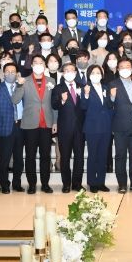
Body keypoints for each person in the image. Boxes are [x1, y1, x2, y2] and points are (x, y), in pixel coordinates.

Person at [11, 55, 58, 194]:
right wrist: (19, 85)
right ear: (31, 65)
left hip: (46, 123)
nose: (38, 65)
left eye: (41, 62)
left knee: (46, 156)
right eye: (35, 62)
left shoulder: (51, 81)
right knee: (30, 156)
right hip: (30, 123)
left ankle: (45, 184)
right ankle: (32, 184)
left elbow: (54, 104)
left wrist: (55, 121)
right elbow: (15, 100)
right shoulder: (24, 81)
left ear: (44, 65)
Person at [0, 63, 25, 193]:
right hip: (5, 126)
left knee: (19, 158)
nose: (10, 74)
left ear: (17, 74)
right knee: (4, 159)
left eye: (13, 71)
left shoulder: (22, 86)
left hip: (21, 126)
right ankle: (4, 184)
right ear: (3, 74)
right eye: (7, 71)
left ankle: (17, 183)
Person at [109, 58, 132, 193]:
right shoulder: (113, 84)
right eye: (122, 67)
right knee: (121, 156)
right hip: (120, 126)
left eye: (128, 66)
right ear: (118, 69)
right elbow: (108, 105)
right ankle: (122, 184)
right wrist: (112, 97)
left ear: (131, 68)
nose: (125, 69)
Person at [51, 62, 85, 193]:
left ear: (76, 73)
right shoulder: (57, 88)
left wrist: (86, 95)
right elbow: (54, 105)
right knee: (65, 157)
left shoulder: (82, 86)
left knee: (79, 157)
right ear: (63, 73)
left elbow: (86, 106)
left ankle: (77, 184)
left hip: (80, 128)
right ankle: (66, 184)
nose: (69, 72)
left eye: (72, 70)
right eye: (66, 70)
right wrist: (62, 100)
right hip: (65, 128)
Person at [80, 65, 113, 193]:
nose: (96, 75)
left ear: (102, 74)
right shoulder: (85, 88)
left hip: (106, 126)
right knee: (93, 156)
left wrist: (112, 97)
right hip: (92, 127)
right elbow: (83, 106)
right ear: (89, 75)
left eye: (98, 72)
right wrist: (86, 94)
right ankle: (92, 182)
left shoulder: (106, 88)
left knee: (103, 156)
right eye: (93, 73)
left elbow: (109, 106)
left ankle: (101, 182)